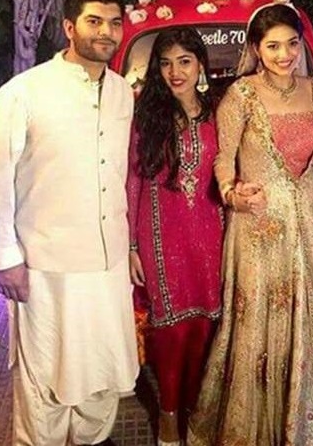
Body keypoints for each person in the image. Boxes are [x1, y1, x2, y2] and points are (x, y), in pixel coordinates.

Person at [188, 3, 313, 446]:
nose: (285, 54)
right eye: (273, 46)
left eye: (292, 44)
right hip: (259, 226)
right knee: (258, 327)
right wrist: (231, 192)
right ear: (256, 49)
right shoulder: (241, 96)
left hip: (312, 223)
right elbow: (223, 158)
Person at [0, 0, 139, 446]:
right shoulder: (24, 93)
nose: (106, 32)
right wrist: (6, 257)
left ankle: (91, 440)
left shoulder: (122, 92)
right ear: (70, 27)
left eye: (114, 22)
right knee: (45, 375)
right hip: (46, 264)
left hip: (107, 263)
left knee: (102, 367)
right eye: (94, 21)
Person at [127, 27, 224, 446]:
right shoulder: (147, 117)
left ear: (200, 63)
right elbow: (133, 181)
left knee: (204, 328)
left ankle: (194, 411)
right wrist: (131, 245)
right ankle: (168, 415)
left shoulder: (219, 113)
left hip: (211, 234)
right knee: (170, 332)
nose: (175, 72)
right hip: (160, 237)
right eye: (166, 64)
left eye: (184, 61)